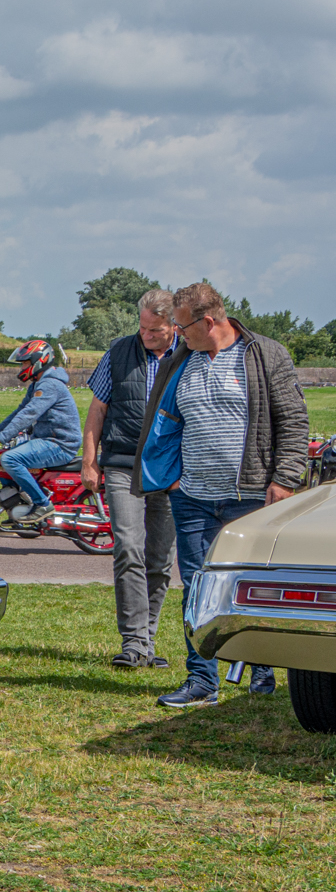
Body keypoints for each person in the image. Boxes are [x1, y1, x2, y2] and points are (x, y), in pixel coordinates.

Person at [142, 282, 310, 710]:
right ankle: (202, 681)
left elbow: (293, 421)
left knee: (255, 587)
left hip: (253, 498)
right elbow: (163, 419)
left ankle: (262, 671)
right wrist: (173, 479)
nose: (178, 334)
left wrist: (284, 479)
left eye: (183, 327)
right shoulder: (183, 359)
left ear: (208, 322)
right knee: (197, 588)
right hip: (192, 497)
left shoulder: (265, 354)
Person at [80, 291, 178, 668]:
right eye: (142, 328)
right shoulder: (118, 352)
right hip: (123, 464)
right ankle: (134, 642)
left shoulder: (190, 356)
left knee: (161, 559)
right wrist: (90, 461)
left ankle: (147, 640)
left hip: (169, 470)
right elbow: (97, 410)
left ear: (174, 327)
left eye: (155, 330)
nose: (146, 335)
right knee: (128, 547)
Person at [0, 340, 81, 527]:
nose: (22, 368)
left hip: (60, 444)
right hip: (47, 440)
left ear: (39, 361)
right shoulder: (37, 384)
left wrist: (1, 437)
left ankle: (42, 505)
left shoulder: (50, 385)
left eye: (25, 363)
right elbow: (18, 413)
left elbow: (29, 414)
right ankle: (19, 507)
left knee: (10, 459)